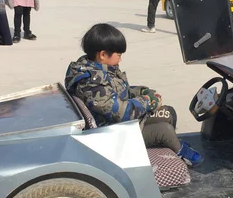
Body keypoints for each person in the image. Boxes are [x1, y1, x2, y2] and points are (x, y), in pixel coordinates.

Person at [65, 24, 203, 166]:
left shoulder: (98, 69)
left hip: (118, 126)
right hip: (113, 135)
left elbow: (119, 91)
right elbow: (122, 112)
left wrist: (142, 91)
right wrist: (148, 101)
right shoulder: (92, 84)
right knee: (164, 131)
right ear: (102, 55)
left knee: (168, 113)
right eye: (118, 55)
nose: (120, 59)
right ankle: (181, 156)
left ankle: (171, 146)